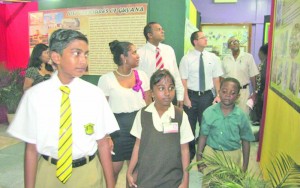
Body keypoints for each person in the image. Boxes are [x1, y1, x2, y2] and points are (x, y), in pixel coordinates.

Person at [7, 29, 119, 188]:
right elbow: (31, 150)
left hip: (87, 174)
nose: (83, 60)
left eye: (86, 54)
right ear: (56, 57)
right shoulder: (35, 96)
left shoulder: (94, 95)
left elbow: (102, 143)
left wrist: (110, 185)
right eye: (76, 53)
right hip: (48, 173)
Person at [127, 69, 194, 188]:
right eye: (161, 88)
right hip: (146, 178)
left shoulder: (180, 116)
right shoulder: (143, 114)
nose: (167, 93)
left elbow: (185, 151)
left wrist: (185, 180)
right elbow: (137, 145)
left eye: (171, 88)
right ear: (152, 93)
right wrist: (130, 171)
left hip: (172, 180)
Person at [97, 40, 151, 185]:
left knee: (134, 173)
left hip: (139, 128)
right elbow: (102, 110)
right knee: (113, 172)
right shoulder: (106, 79)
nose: (137, 55)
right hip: (117, 131)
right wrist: (106, 135)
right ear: (123, 57)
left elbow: (149, 105)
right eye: (133, 52)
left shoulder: (142, 76)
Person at [179, 30, 223, 161]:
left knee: (206, 126)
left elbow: (216, 78)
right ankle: (190, 155)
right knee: (190, 127)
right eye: (202, 38)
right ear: (195, 41)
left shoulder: (213, 58)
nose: (206, 39)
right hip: (191, 97)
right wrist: (185, 97)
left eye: (206, 37)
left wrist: (218, 95)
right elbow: (183, 80)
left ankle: (202, 156)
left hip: (207, 96)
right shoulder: (186, 59)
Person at [197, 77, 255, 175]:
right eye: (224, 91)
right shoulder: (209, 112)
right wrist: (199, 159)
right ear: (219, 92)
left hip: (232, 156)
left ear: (238, 96)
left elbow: (246, 141)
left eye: (232, 93)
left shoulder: (241, 116)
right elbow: (203, 136)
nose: (227, 95)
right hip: (211, 154)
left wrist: (244, 166)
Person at [137, 22, 184, 107]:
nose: (163, 31)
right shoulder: (140, 53)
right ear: (150, 35)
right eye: (159, 30)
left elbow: (176, 74)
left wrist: (180, 95)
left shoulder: (169, 50)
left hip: (169, 94)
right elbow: (138, 79)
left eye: (162, 29)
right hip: (150, 97)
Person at [221, 36, 259, 115]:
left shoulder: (248, 57)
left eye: (236, 41)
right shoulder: (225, 59)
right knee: (228, 115)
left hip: (243, 92)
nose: (234, 43)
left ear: (239, 44)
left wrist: (255, 92)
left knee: (242, 116)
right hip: (229, 93)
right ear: (228, 47)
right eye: (231, 42)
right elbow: (222, 78)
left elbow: (253, 76)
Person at [251, 43, 268, 125]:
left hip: (262, 93)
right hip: (260, 92)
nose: (258, 55)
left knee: (262, 113)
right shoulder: (263, 63)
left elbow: (263, 79)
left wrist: (260, 91)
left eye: (259, 52)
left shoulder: (266, 64)